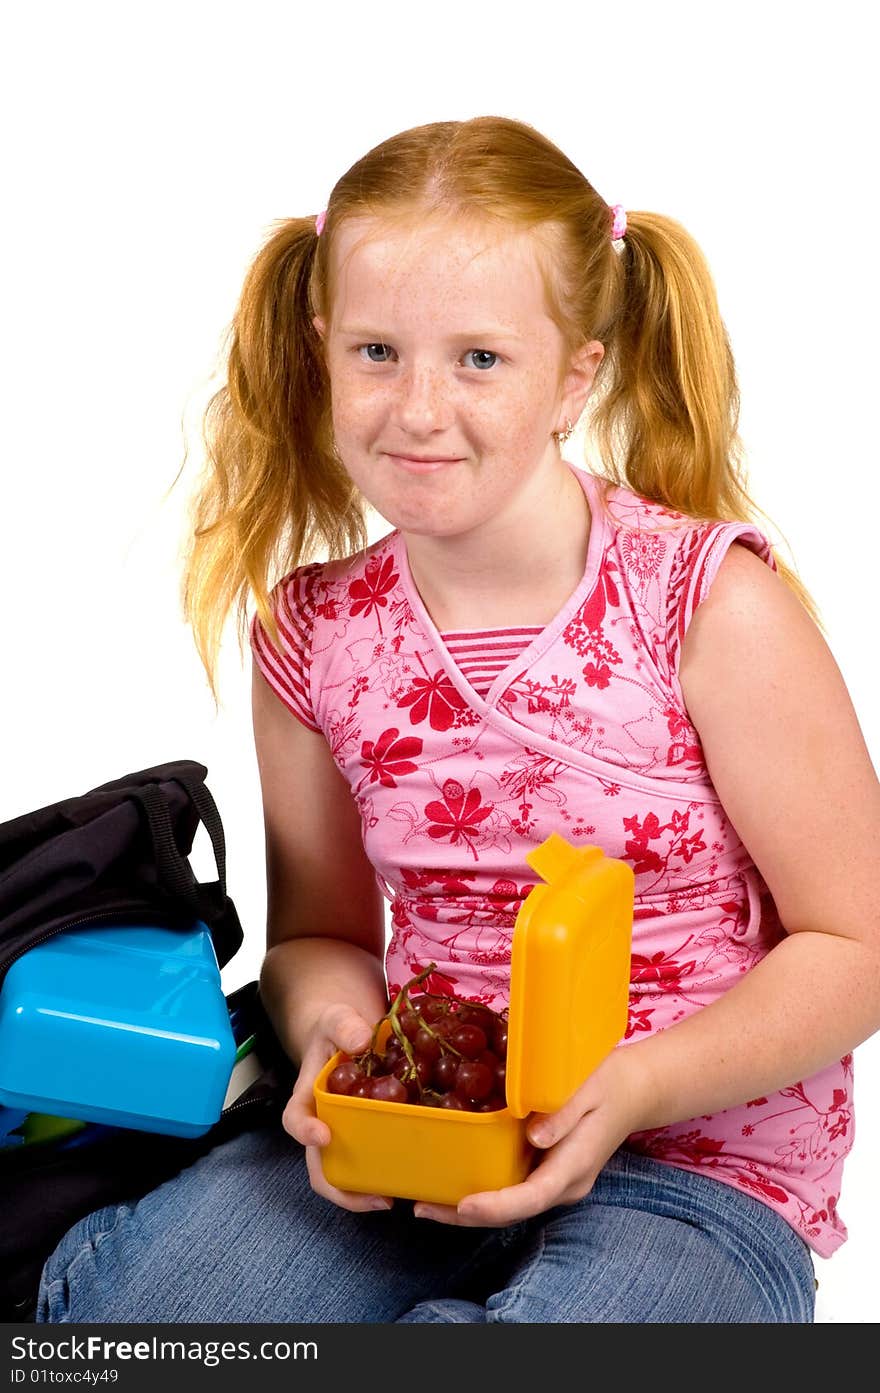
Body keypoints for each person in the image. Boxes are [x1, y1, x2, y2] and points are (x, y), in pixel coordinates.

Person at [37, 115, 880, 1324]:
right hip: (406, 1155)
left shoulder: (707, 605)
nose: (418, 408)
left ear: (574, 375)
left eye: (479, 359)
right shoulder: (312, 633)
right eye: (377, 351)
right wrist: (336, 1042)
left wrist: (635, 1086)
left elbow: (855, 944)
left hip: (692, 1167)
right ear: (323, 348)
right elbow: (321, 935)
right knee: (153, 1316)